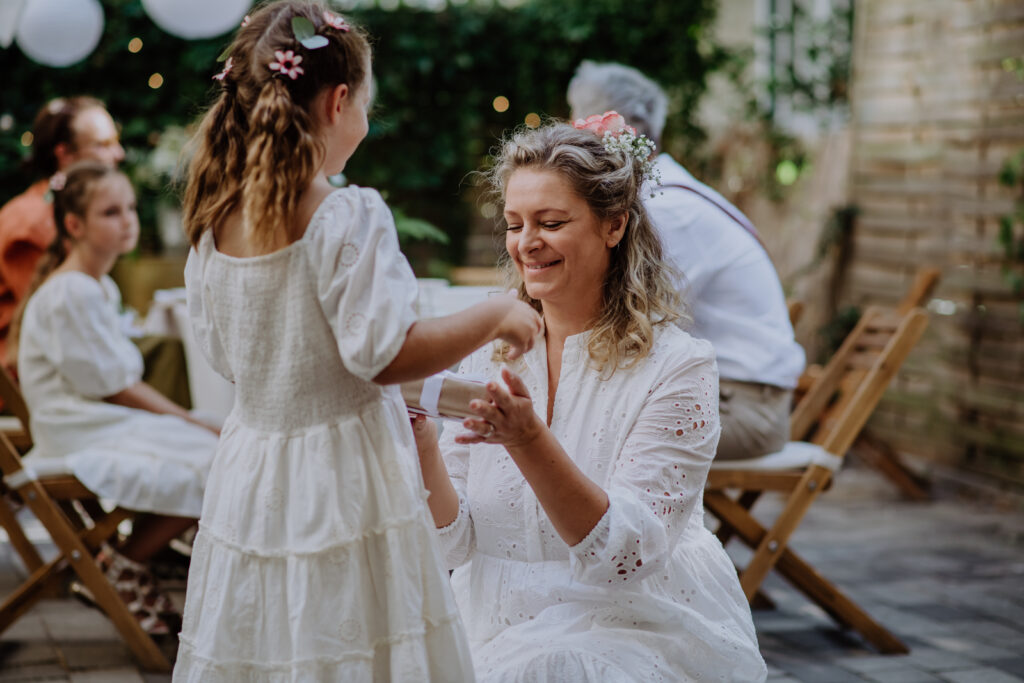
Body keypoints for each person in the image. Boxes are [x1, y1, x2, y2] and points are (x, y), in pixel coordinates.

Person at [174, 2, 541, 680]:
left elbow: (229, 356)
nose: (366, 122)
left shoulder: (213, 222)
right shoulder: (345, 214)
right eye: (366, 104)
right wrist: (495, 311)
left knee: (269, 634)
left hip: (252, 468)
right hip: (340, 474)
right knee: (347, 633)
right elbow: (387, 353)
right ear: (338, 102)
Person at [412, 120, 767, 681]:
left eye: (550, 223)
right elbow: (454, 543)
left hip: (628, 622)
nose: (526, 242)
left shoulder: (677, 366)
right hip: (491, 621)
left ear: (614, 224)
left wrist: (529, 441)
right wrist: (421, 437)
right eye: (514, 224)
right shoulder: (489, 352)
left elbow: (625, 557)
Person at [13, 161, 218, 636]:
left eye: (129, 208)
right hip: (76, 429)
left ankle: (133, 561)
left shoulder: (96, 286)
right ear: (74, 225)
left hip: (93, 419)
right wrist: (189, 420)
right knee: (214, 454)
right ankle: (122, 562)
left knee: (216, 444)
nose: (128, 219)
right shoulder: (71, 291)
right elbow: (115, 386)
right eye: (111, 212)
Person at [568, 60, 805, 461]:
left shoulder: (664, 207)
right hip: (720, 392)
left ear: (616, 128)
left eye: (578, 121)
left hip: (743, 409)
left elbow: (631, 322)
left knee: (585, 439)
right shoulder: (664, 190)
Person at [0, 96, 124, 362]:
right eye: (104, 144)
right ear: (65, 154)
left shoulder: (62, 209)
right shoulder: (31, 222)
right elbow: (59, 320)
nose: (118, 154)